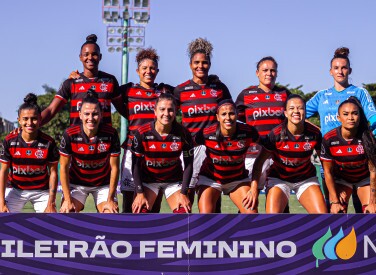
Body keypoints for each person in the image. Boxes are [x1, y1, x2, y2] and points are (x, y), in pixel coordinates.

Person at [306, 47, 376, 212]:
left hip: (359, 159)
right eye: (336, 68)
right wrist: (317, 133)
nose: (340, 71)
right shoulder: (322, 96)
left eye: (344, 68)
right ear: (330, 71)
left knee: (364, 211)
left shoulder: (360, 92)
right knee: (334, 206)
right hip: (332, 161)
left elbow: (373, 119)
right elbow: (299, 115)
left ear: (349, 70)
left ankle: (364, 238)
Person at [173, 37, 232, 209]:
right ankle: (187, 233)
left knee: (213, 194)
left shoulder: (219, 88)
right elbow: (168, 117)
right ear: (190, 64)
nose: (200, 66)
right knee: (187, 194)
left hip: (215, 146)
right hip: (191, 147)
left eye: (204, 62)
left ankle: (213, 234)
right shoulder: (181, 90)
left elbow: (229, 115)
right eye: (196, 62)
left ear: (210, 64)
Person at [118, 48, 174, 213]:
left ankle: (151, 233)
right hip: (131, 150)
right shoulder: (128, 90)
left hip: (156, 151)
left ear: (157, 71)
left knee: (154, 197)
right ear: (137, 71)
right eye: (144, 68)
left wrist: (210, 79)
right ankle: (126, 232)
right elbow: (105, 89)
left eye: (152, 68)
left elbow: (186, 92)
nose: (148, 71)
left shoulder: (164, 91)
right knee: (129, 197)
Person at [252, 94, 327, 213]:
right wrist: (254, 188)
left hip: (306, 179)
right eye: (292, 108)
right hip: (279, 179)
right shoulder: (275, 134)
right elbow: (259, 162)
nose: (296, 111)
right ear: (286, 113)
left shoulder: (314, 133)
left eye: (300, 108)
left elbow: (325, 163)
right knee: (272, 219)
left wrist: (334, 195)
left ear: (305, 112)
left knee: (322, 217)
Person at [235, 56, 291, 211]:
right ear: (257, 73)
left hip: (278, 155)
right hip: (253, 154)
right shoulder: (246, 94)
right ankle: (246, 233)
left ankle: (281, 233)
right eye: (265, 70)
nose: (269, 73)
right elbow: (233, 119)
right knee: (249, 201)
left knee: (280, 201)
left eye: (273, 70)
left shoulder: (285, 94)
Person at [41, 34, 124, 127]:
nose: (90, 58)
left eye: (94, 54)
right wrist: (31, 126)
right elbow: (51, 110)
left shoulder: (110, 80)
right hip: (77, 139)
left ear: (100, 57)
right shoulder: (71, 82)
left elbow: (123, 110)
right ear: (80, 57)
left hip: (104, 139)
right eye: (86, 54)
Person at [59, 91, 120, 213]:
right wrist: (67, 199)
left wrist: (110, 199)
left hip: (103, 184)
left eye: (95, 114)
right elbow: (64, 167)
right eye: (87, 114)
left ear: (101, 114)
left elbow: (114, 168)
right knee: (67, 211)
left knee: (110, 213)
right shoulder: (70, 134)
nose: (90, 118)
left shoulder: (111, 134)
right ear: (80, 115)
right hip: (77, 184)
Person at [131, 93, 193, 213]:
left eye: (170, 110)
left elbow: (189, 165)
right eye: (162, 109)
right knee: (139, 212)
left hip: (173, 181)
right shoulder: (142, 133)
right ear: (155, 111)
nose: (166, 113)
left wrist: (184, 193)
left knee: (184, 214)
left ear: (175, 112)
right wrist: (139, 193)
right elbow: (136, 166)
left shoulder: (184, 133)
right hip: (149, 181)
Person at [195, 100, 260, 213]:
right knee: (205, 216)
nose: (228, 117)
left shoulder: (248, 132)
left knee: (251, 213)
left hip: (237, 180)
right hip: (211, 179)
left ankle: (240, 228)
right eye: (223, 114)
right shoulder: (206, 133)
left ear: (237, 115)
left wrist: (254, 188)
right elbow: (186, 146)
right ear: (218, 117)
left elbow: (267, 147)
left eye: (231, 113)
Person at [0, 93, 59, 213]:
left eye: (34, 118)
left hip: (41, 191)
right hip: (16, 190)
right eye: (25, 119)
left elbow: (53, 172)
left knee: (51, 220)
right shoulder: (9, 141)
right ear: (19, 120)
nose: (30, 122)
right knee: (3, 219)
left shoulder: (48, 142)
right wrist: (1, 202)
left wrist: (51, 202)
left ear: (40, 119)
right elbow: (4, 171)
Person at [321, 97, 376, 213]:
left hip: (363, 179)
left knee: (371, 211)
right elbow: (328, 172)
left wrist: (372, 202)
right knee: (337, 211)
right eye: (345, 114)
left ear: (359, 116)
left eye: (355, 114)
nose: (350, 118)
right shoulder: (329, 139)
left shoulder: (368, 137)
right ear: (338, 118)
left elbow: (373, 171)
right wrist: (335, 202)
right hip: (342, 179)